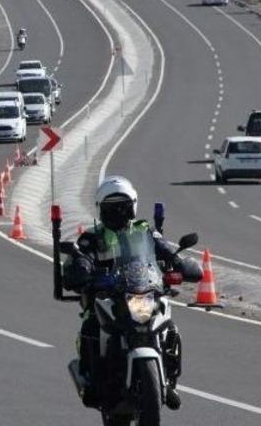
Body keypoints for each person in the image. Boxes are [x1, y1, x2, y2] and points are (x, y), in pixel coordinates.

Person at [63, 176, 202, 411]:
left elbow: (166, 250)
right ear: (100, 209)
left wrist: (179, 262)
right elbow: (78, 258)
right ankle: (91, 382)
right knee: (91, 326)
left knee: (170, 327)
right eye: (112, 207)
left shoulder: (145, 231)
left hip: (143, 289)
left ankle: (169, 382)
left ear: (133, 206)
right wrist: (81, 268)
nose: (118, 211)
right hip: (107, 296)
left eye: (123, 206)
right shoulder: (91, 237)